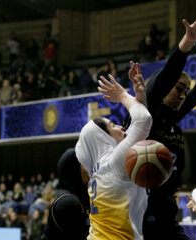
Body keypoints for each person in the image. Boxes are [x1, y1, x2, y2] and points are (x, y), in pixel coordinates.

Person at [126, 12, 196, 240]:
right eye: (179, 88)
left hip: (165, 208)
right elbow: (166, 77)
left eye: (185, 90)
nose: (184, 95)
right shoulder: (146, 111)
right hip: (138, 208)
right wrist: (188, 42)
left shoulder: (172, 118)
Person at [75, 70, 152, 239]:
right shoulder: (114, 163)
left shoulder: (101, 168)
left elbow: (138, 129)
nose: (121, 127)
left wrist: (140, 97)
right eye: (113, 126)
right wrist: (123, 95)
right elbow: (143, 121)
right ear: (103, 138)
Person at [43, 148, 90, 240]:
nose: (90, 168)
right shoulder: (68, 202)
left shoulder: (83, 197)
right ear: (74, 169)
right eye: (85, 163)